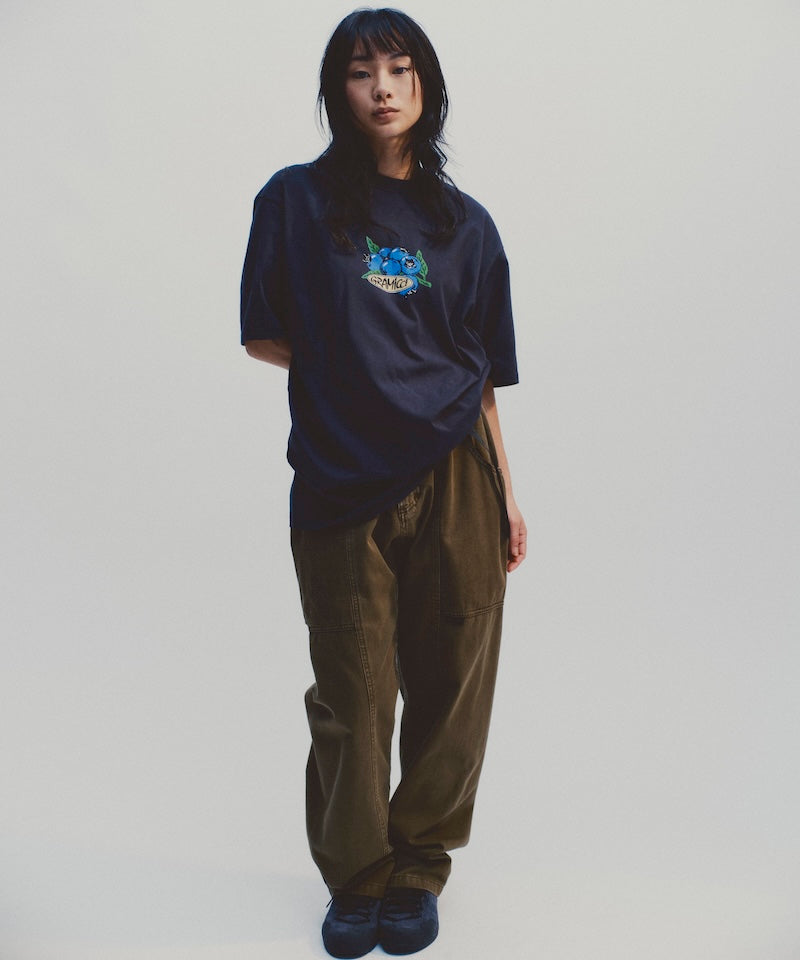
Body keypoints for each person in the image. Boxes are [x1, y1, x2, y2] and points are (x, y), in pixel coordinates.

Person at [240, 8, 526, 957]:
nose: (383, 89)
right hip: (340, 472)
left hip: (458, 470)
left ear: (426, 85)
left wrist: (509, 494)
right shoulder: (294, 201)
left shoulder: (465, 225)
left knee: (453, 677)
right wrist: (353, 378)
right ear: (338, 90)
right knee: (354, 688)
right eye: (362, 72)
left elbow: (482, 373)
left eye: (401, 69)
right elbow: (263, 332)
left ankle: (418, 864)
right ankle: (357, 874)